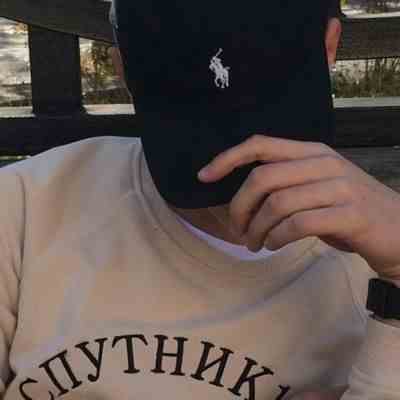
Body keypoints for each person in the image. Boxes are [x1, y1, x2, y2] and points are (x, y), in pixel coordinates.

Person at [0, 2, 400, 400]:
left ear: (122, 65)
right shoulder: (19, 208)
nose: (238, 162)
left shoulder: (384, 252)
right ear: (330, 44)